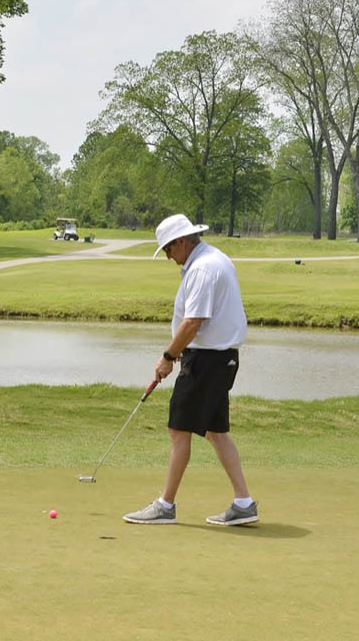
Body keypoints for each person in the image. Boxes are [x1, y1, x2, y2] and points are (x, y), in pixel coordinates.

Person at [123, 214, 257, 526]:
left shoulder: (202, 268)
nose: (168, 257)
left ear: (182, 242)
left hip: (206, 362)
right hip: (220, 359)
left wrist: (168, 357)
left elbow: (193, 322)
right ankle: (244, 503)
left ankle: (165, 505)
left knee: (178, 430)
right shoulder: (213, 258)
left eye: (168, 250)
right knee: (215, 431)